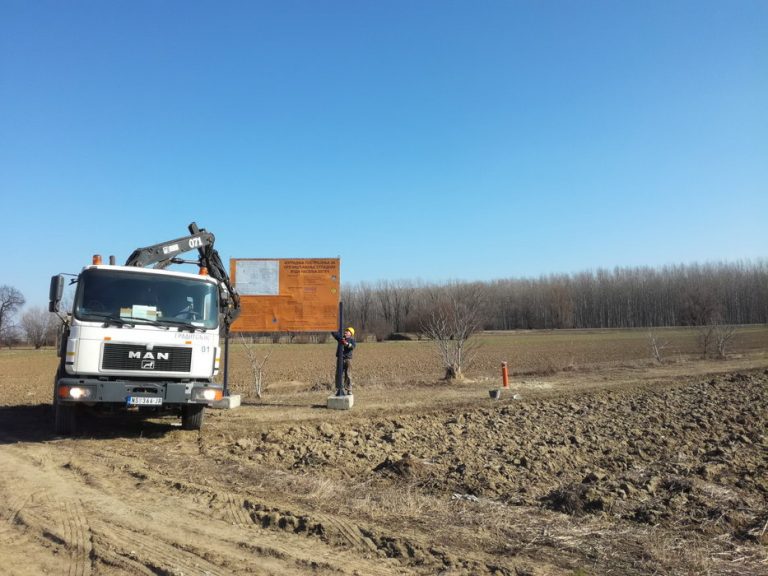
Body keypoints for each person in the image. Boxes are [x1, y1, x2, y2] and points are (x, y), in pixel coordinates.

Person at [331, 327, 356, 395]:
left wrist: (346, 343)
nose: (346, 331)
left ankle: (349, 390)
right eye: (346, 330)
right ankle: (338, 389)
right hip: (340, 358)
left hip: (348, 359)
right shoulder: (340, 338)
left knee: (348, 374)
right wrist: (332, 328)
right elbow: (335, 334)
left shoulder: (352, 340)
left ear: (351, 334)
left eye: (348, 331)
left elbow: (352, 346)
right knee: (338, 374)